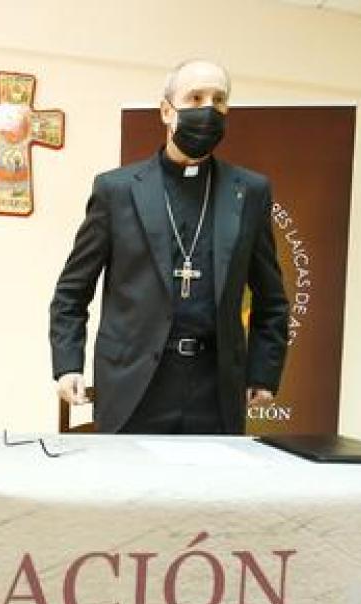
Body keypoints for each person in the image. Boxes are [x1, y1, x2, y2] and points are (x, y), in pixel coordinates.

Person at [48, 58, 289, 434]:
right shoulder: (117, 190)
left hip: (216, 390)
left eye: (218, 100)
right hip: (134, 385)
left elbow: (271, 297)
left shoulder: (251, 191)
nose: (207, 110)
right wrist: (68, 364)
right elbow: (71, 292)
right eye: (194, 98)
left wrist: (264, 370)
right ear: (166, 110)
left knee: (212, 494)